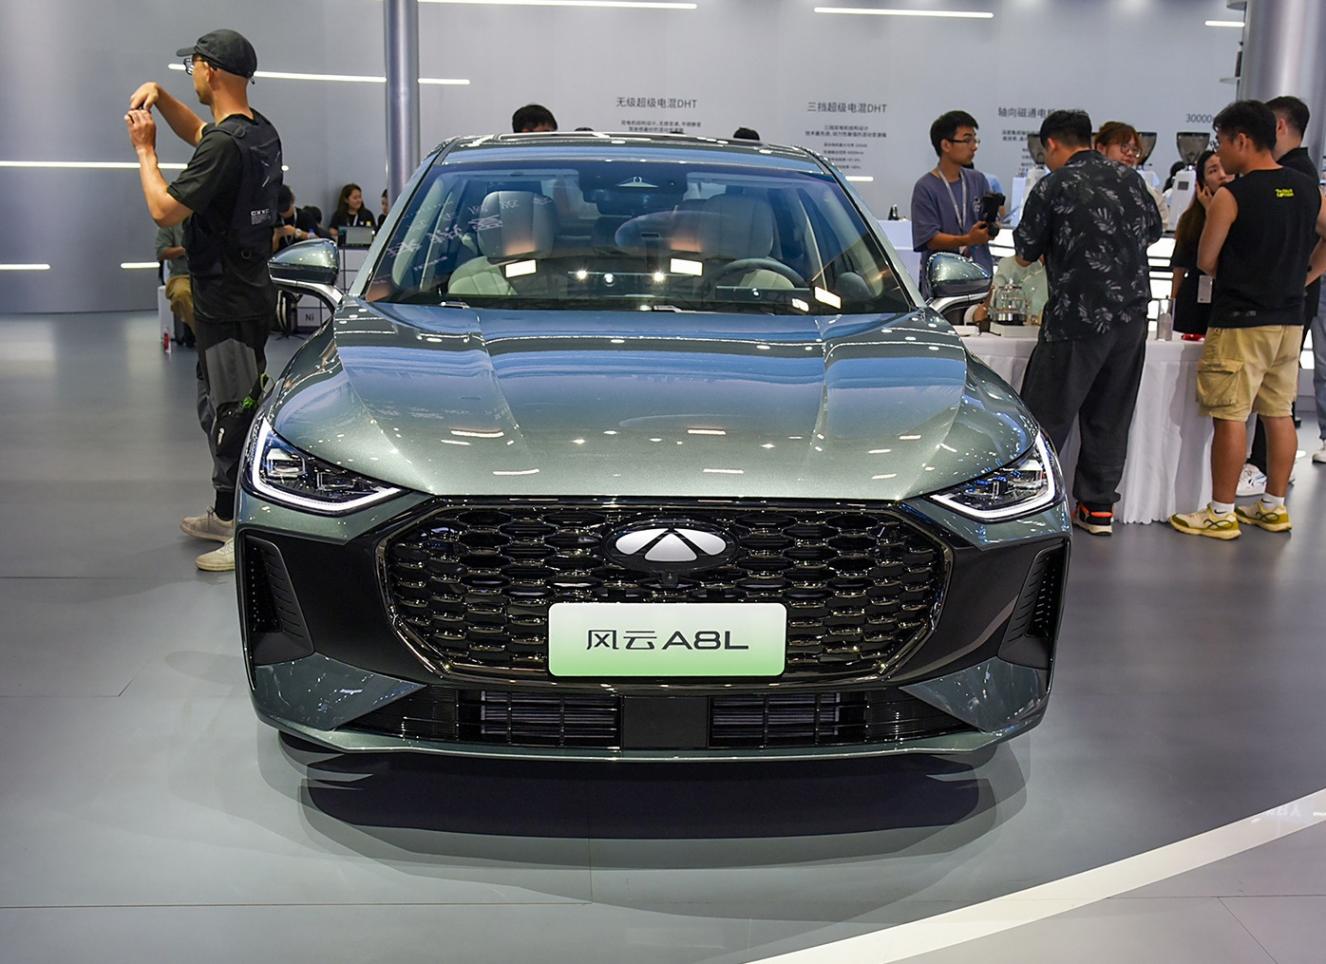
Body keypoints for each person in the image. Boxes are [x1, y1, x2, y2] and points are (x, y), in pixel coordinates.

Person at [125, 29, 282, 572]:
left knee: (233, 416)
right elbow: (201, 132)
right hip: (240, 294)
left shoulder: (224, 144)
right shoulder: (257, 133)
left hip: (228, 300)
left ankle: (242, 529)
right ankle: (223, 512)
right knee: (217, 406)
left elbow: (163, 209)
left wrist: (145, 150)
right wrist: (163, 96)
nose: (190, 75)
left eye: (191, 67)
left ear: (209, 70)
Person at [1170, 100, 1326, 540]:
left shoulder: (1232, 195)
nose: (1220, 152)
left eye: (1221, 142)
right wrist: (1306, 275)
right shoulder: (1307, 188)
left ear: (1242, 140)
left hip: (1239, 320)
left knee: (1231, 415)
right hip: (1289, 320)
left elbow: (1207, 259)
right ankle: (1274, 506)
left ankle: (1221, 511)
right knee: (1278, 413)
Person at [1013, 110, 1163, 537]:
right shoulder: (1132, 179)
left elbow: (1024, 251)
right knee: (1111, 415)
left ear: (1052, 144)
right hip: (1132, 317)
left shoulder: (1054, 185)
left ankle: (1027, 506)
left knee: (1046, 414)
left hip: (1077, 315)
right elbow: (1153, 231)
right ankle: (1097, 509)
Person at [1246, 94, 1326, 476]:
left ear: (1278, 126)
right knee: (1277, 392)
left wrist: (1304, 276)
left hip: (1284, 302)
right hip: (1286, 298)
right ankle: (1270, 468)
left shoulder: (1297, 176)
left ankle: (1265, 465)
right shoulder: (1293, 172)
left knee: (1275, 395)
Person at [911, 110, 995, 296]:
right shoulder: (926, 187)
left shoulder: (977, 180)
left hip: (980, 277)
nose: (974, 147)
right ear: (946, 145)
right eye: (967, 140)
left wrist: (990, 227)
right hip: (943, 282)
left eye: (975, 140)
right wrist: (968, 239)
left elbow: (985, 223)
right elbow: (929, 239)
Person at [1169, 149, 1233, 339]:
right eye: (1213, 170)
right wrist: (1172, 305)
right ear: (1202, 182)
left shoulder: (1242, 212)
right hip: (1193, 297)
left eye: (1224, 168)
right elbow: (1179, 267)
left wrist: (1212, 211)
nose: (1222, 175)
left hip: (1227, 298)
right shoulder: (1191, 219)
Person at [1095, 121, 1169, 224]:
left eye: (1134, 149)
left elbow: (1163, 221)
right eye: (1124, 146)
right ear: (1101, 148)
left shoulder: (1143, 188)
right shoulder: (1087, 183)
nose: (1130, 153)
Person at [155, 219, 195, 337]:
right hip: (181, 275)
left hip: (211, 274)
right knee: (181, 294)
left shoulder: (210, 218)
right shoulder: (169, 222)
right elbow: (161, 252)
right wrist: (185, 249)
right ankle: (202, 333)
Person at [273, 185, 321, 251]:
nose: (284, 213)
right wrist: (277, 236)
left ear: (292, 200)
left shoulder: (305, 216)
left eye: (287, 209)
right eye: (281, 211)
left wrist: (297, 232)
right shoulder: (273, 220)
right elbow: (270, 251)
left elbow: (317, 240)